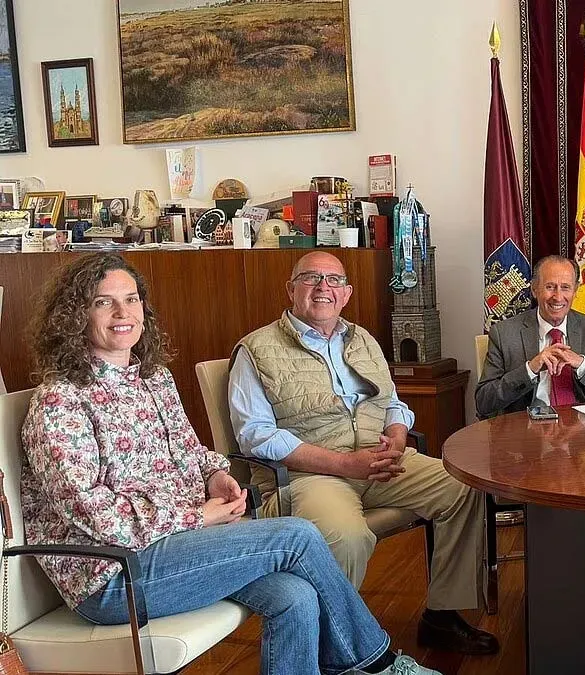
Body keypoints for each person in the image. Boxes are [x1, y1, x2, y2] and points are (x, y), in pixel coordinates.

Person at [20, 253, 439, 675]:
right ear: (75, 315)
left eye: (131, 299)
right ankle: (377, 662)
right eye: (102, 302)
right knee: (297, 535)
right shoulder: (59, 401)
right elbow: (94, 515)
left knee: (296, 595)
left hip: (179, 545)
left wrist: (216, 476)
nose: (122, 312)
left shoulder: (153, 378)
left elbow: (191, 451)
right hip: (112, 576)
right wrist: (197, 515)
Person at [228, 251, 497, 656]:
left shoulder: (363, 339)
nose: (323, 288)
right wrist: (342, 463)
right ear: (290, 289)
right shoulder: (256, 349)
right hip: (309, 475)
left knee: (464, 487)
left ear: (347, 293)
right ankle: (336, 649)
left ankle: (443, 616)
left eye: (334, 280)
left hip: (378, 461)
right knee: (346, 535)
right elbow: (255, 436)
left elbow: (391, 402)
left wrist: (397, 435)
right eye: (311, 278)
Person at [475, 254, 585, 418]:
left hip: (582, 432)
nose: (558, 297)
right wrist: (530, 369)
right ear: (534, 289)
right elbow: (483, 402)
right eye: (550, 287)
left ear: (575, 291)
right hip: (526, 432)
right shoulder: (504, 333)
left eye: (566, 287)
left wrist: (583, 365)